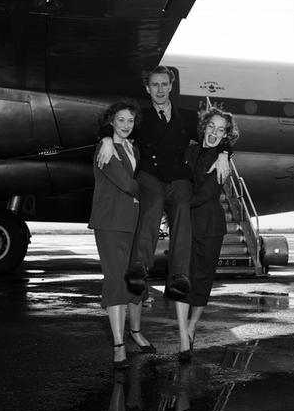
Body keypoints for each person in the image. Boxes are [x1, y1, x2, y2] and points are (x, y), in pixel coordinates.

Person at [96, 66, 230, 302]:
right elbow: (113, 123)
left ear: (171, 86)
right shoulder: (141, 117)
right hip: (150, 174)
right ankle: (139, 266)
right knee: (153, 202)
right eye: (154, 85)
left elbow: (216, 135)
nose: (160, 89)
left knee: (182, 208)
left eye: (164, 84)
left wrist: (224, 154)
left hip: (178, 176)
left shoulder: (188, 117)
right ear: (148, 89)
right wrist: (106, 139)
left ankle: (179, 275)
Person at [89, 101, 156, 369]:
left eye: (130, 120)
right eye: (120, 120)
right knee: (117, 280)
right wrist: (155, 194)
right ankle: (118, 344)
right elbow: (126, 183)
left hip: (134, 222)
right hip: (111, 222)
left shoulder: (133, 148)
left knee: (136, 277)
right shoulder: (105, 148)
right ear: (111, 122)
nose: (126, 125)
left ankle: (135, 332)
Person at [175, 108, 240, 362]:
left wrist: (176, 206)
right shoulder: (189, 151)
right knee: (180, 277)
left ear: (225, 135)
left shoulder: (221, 159)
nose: (214, 132)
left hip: (209, 226)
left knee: (202, 280)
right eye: (211, 126)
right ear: (204, 127)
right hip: (185, 222)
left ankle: (192, 326)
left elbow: (205, 194)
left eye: (220, 130)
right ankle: (183, 337)